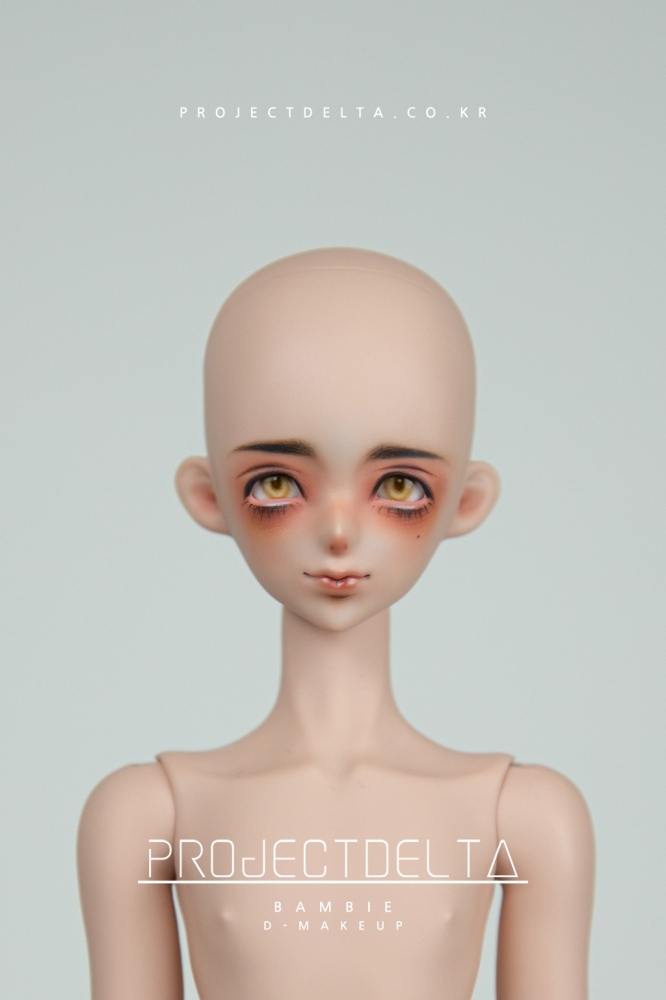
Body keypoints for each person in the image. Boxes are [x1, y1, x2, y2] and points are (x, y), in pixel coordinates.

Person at [78, 248, 595, 1000]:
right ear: (209, 496)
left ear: (466, 502)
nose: (341, 534)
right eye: (277, 484)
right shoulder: (151, 815)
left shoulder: (522, 817)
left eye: (399, 486)